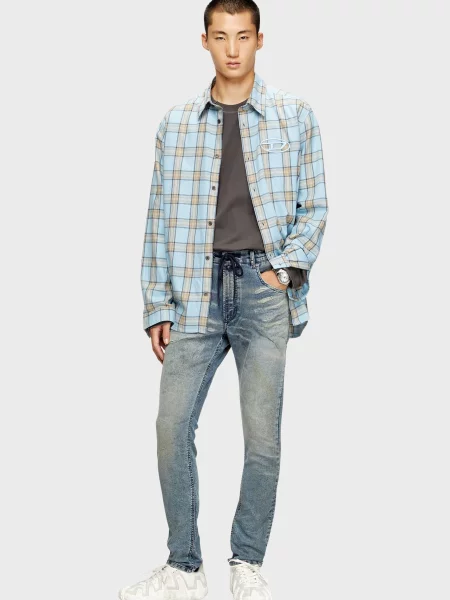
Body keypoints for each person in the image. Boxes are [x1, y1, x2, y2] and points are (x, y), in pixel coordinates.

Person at [119, 1, 328, 599]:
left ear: (260, 39)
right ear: (204, 41)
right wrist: (157, 304)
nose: (232, 49)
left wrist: (284, 271)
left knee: (262, 437)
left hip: (264, 290)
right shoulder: (176, 123)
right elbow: (157, 217)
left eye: (242, 36)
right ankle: (184, 566)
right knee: (171, 427)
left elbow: (314, 207)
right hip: (193, 290)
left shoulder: (296, 115)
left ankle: (247, 562)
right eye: (220, 36)